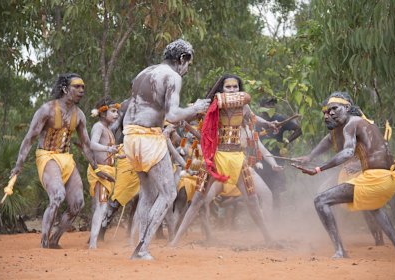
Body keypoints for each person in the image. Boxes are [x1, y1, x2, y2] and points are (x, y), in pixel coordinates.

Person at [122, 39, 211, 260]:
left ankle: (140, 248)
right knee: (169, 193)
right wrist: (196, 108)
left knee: (148, 194)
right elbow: (172, 115)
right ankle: (141, 249)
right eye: (188, 64)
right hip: (149, 138)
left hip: (130, 137)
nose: (187, 69)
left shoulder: (145, 72)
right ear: (182, 59)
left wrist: (188, 112)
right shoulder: (173, 76)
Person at [292, 91, 395, 258]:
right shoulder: (363, 123)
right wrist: (310, 157)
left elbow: (346, 153)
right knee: (373, 206)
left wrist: (318, 169)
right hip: (389, 179)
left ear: (347, 107)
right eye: (326, 111)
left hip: (375, 178)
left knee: (320, 201)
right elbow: (329, 139)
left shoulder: (351, 123)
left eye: (334, 109)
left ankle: (340, 250)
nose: (329, 113)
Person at [170, 74, 279, 246]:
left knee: (252, 200)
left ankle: (269, 239)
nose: (232, 90)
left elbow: (253, 118)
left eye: (235, 87)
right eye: (228, 87)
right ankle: (174, 242)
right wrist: (183, 121)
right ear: (222, 89)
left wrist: (268, 124)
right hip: (217, 158)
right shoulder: (213, 106)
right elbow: (191, 117)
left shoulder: (243, 106)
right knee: (198, 199)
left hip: (237, 159)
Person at [10, 73, 114, 249]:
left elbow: (87, 146)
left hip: (66, 158)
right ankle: (44, 243)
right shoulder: (47, 109)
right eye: (77, 87)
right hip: (47, 156)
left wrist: (96, 168)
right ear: (65, 89)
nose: (82, 90)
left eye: (83, 87)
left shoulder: (79, 115)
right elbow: (29, 138)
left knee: (77, 203)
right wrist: (19, 164)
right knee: (58, 196)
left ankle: (54, 240)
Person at [87, 97, 120, 249]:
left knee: (102, 206)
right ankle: (93, 243)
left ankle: (93, 240)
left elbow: (108, 150)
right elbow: (92, 145)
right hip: (100, 171)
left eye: (117, 112)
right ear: (102, 113)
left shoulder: (108, 129)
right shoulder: (98, 127)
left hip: (108, 171)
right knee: (101, 206)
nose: (116, 114)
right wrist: (109, 149)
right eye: (113, 111)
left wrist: (118, 155)